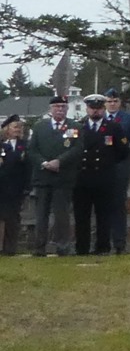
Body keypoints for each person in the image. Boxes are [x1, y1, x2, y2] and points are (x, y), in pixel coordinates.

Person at [71, 92, 130, 255]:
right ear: (87, 109)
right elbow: (69, 148)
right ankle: (82, 248)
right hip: (82, 179)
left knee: (104, 216)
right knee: (81, 216)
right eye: (92, 108)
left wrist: (108, 162)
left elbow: (123, 151)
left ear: (103, 109)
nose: (95, 111)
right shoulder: (78, 127)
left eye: (98, 108)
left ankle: (103, 247)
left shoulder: (114, 128)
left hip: (104, 178)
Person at [28, 94, 78, 256]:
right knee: (41, 215)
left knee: (62, 215)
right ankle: (39, 248)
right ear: (51, 109)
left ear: (67, 108)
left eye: (63, 107)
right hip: (43, 177)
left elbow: (77, 148)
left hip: (63, 178)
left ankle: (63, 247)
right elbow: (32, 150)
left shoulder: (74, 126)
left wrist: (59, 161)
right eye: (57, 106)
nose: (60, 109)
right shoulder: (39, 127)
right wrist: (44, 163)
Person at [102, 89, 130, 252]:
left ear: (120, 103)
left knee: (118, 204)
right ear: (105, 103)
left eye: (115, 101)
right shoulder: (99, 118)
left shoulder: (128, 119)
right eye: (109, 101)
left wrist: (127, 159)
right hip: (101, 167)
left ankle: (119, 243)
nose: (112, 104)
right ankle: (102, 242)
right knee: (101, 204)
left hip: (120, 166)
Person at [0, 116, 28, 255]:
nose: (18, 130)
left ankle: (10, 248)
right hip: (2, 186)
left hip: (16, 187)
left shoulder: (25, 145)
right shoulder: (1, 145)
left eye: (19, 127)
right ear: (7, 129)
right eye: (15, 127)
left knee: (12, 218)